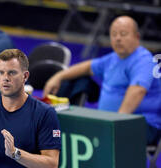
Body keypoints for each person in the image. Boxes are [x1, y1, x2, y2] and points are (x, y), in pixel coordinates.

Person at [43, 15, 161, 145]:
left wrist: (117, 123)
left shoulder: (143, 60)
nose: (118, 38)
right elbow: (87, 67)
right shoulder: (113, 58)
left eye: (123, 34)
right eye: (114, 34)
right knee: (67, 128)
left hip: (140, 124)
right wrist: (58, 76)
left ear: (136, 37)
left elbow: (137, 91)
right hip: (108, 122)